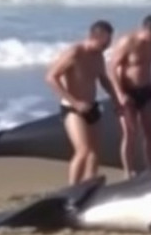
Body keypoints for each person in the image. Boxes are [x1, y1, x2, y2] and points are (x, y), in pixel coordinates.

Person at [44, 20, 118, 185]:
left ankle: (88, 185)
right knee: (83, 151)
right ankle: (72, 189)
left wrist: (116, 98)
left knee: (94, 153)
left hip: (92, 107)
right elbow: (51, 77)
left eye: (109, 43)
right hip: (73, 108)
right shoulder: (75, 53)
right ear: (95, 37)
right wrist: (75, 102)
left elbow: (103, 79)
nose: (107, 46)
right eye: (105, 43)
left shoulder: (99, 56)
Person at [108, 14, 151, 178]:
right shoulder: (127, 42)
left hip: (147, 90)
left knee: (150, 131)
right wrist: (120, 94)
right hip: (127, 91)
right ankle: (128, 172)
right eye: (149, 36)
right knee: (130, 133)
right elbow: (112, 68)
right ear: (143, 30)